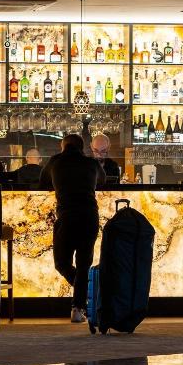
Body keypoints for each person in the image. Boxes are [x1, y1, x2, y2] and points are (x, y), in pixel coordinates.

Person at [39, 134, 106, 322]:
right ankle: (80, 306)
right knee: (83, 264)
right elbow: (103, 181)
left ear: (63, 146)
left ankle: (85, 297)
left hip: (67, 217)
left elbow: (42, 182)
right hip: (89, 216)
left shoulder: (55, 162)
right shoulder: (91, 163)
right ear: (82, 147)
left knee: (61, 263)